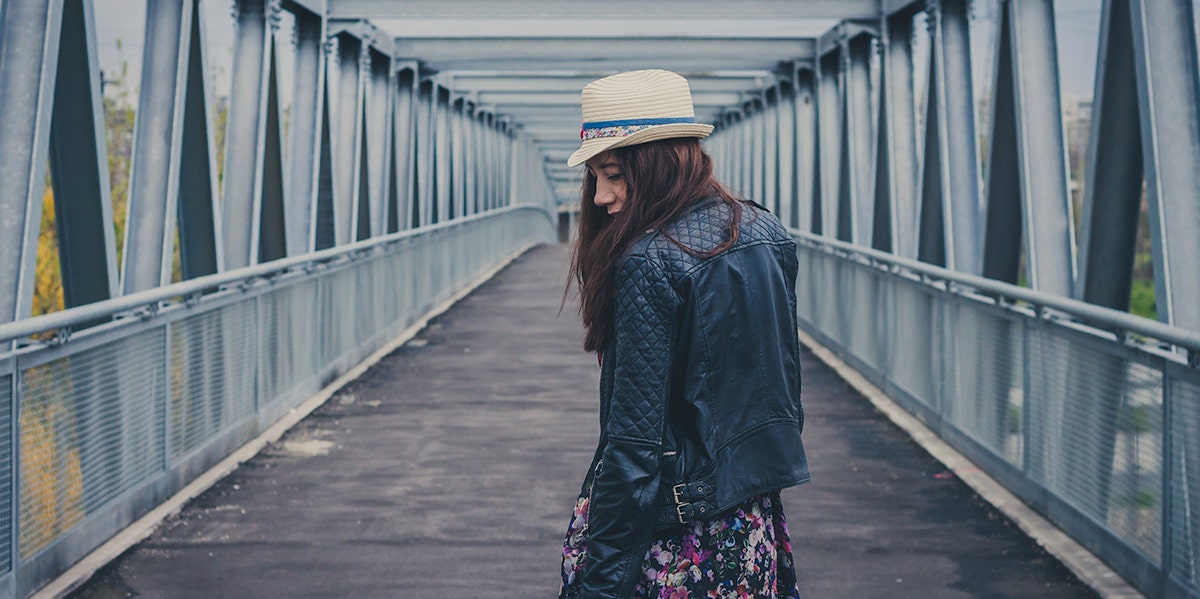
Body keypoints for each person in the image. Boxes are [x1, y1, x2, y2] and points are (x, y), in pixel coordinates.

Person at [558, 69, 810, 599]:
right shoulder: (766, 232)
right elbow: (783, 382)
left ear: (657, 165)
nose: (601, 196)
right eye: (596, 179)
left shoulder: (649, 261)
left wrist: (601, 583)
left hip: (676, 537)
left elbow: (634, 448)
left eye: (614, 175)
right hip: (749, 525)